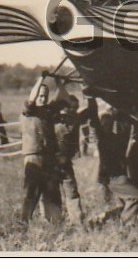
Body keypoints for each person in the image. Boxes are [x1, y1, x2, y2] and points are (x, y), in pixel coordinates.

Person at [20, 78, 63, 223]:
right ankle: (24, 221)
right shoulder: (28, 110)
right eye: (40, 95)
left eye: (45, 96)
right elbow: (32, 98)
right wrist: (40, 79)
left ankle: (54, 222)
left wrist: (61, 85)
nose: (43, 98)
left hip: (49, 157)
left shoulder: (48, 112)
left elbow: (60, 98)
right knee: (32, 191)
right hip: (34, 156)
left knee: (52, 190)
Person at [54, 95, 86, 224]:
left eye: (76, 108)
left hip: (65, 162)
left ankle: (77, 221)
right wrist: (59, 85)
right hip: (51, 162)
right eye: (72, 108)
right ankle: (54, 221)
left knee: (71, 191)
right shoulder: (54, 118)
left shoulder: (76, 119)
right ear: (65, 107)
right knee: (52, 193)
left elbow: (90, 111)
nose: (75, 110)